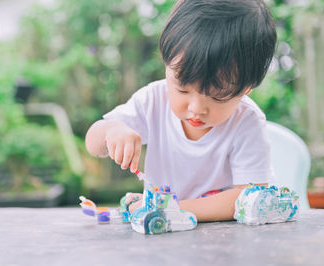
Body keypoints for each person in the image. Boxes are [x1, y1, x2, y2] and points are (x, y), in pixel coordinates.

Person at [85, 0, 277, 222]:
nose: (196, 109)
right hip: (159, 243)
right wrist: (112, 131)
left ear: (245, 89)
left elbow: (249, 198)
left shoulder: (246, 122)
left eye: (216, 96)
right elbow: (93, 143)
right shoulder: (153, 101)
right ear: (167, 66)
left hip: (221, 245)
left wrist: (171, 209)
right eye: (182, 89)